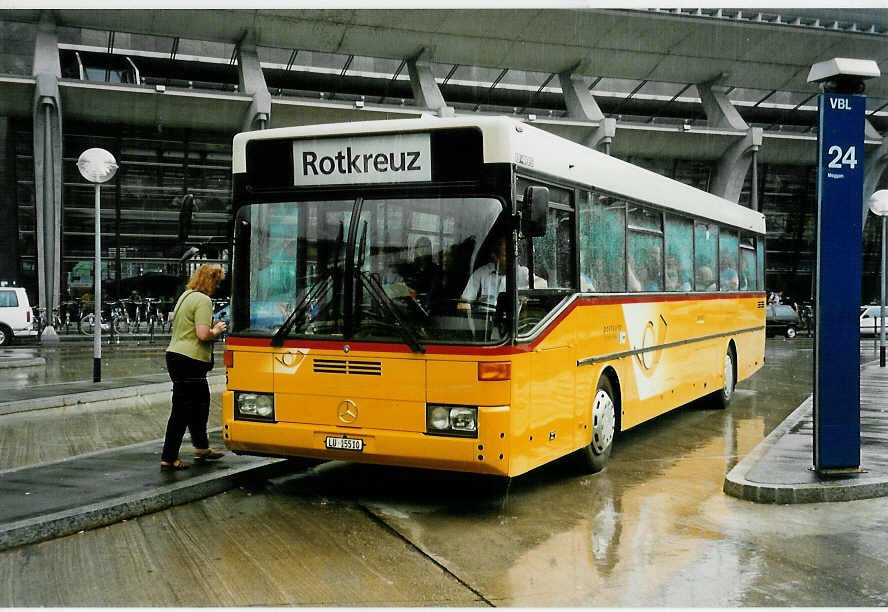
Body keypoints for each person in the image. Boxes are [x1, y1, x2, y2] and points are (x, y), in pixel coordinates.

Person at [160, 263, 228, 471]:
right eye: (216, 282)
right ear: (210, 281)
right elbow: (202, 334)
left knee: (200, 403)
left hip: (176, 355)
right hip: (190, 359)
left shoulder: (186, 296)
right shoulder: (204, 300)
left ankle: (201, 447)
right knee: (182, 409)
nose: (217, 287)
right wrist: (216, 329)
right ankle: (169, 457)